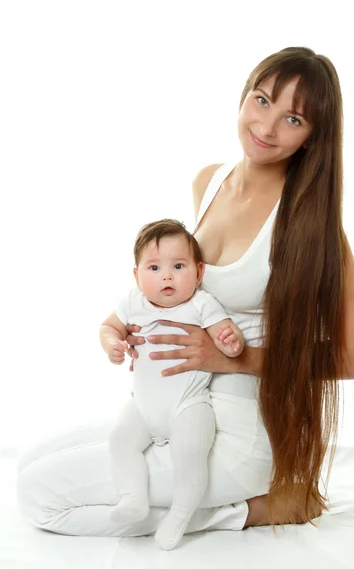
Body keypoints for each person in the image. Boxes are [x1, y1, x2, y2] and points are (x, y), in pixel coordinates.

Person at [17, 46, 354, 541]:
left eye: (293, 119)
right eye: (262, 100)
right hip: (175, 409)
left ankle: (251, 508)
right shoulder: (209, 182)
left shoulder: (311, 225)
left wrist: (235, 358)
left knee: (38, 495)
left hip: (237, 437)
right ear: (245, 94)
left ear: (315, 136)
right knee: (31, 461)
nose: (267, 127)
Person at [101, 218, 245, 549]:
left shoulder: (201, 304)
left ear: (198, 272)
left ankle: (180, 516)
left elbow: (226, 333)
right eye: (153, 267)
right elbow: (108, 327)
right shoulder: (132, 303)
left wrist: (231, 340)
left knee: (190, 453)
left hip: (188, 404)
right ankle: (133, 497)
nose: (167, 275)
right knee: (120, 440)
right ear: (136, 276)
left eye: (178, 266)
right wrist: (112, 344)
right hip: (144, 405)